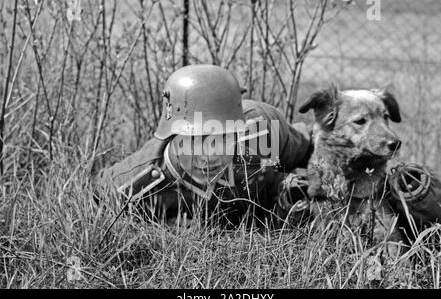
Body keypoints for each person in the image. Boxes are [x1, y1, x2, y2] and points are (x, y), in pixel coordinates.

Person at [92, 64, 312, 227]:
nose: (211, 149)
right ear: (176, 134)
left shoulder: (263, 126)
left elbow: (309, 147)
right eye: (198, 138)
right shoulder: (145, 174)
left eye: (221, 135)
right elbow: (99, 195)